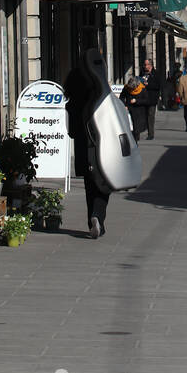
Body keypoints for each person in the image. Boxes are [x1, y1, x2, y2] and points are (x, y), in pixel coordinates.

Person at [64, 59, 110, 239]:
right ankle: (97, 216)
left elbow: (72, 132)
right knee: (105, 184)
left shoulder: (73, 102)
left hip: (83, 148)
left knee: (89, 185)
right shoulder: (99, 98)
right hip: (101, 146)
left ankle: (93, 219)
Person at [120, 74, 150, 143]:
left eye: (132, 89)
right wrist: (124, 105)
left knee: (136, 128)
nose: (131, 90)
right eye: (130, 88)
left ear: (136, 86)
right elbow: (122, 96)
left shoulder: (142, 89)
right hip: (128, 109)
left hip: (139, 111)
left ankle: (135, 140)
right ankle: (133, 140)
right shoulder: (126, 88)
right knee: (129, 127)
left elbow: (147, 101)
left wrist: (137, 101)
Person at [140, 57, 161, 139]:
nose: (145, 66)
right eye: (144, 65)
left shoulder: (156, 74)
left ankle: (150, 134)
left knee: (150, 116)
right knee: (144, 115)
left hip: (152, 98)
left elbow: (158, 86)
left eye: (147, 65)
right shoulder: (142, 73)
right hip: (142, 98)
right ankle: (144, 129)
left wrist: (148, 85)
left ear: (151, 65)